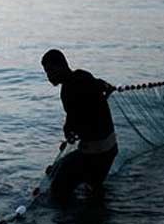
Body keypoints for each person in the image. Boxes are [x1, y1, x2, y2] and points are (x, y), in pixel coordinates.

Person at [41, 49, 118, 201]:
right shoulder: (83, 75)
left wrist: (67, 130)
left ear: (61, 66)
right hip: (111, 149)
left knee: (57, 188)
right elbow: (105, 86)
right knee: (92, 188)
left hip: (95, 154)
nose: (48, 77)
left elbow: (73, 124)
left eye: (50, 71)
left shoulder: (68, 90)